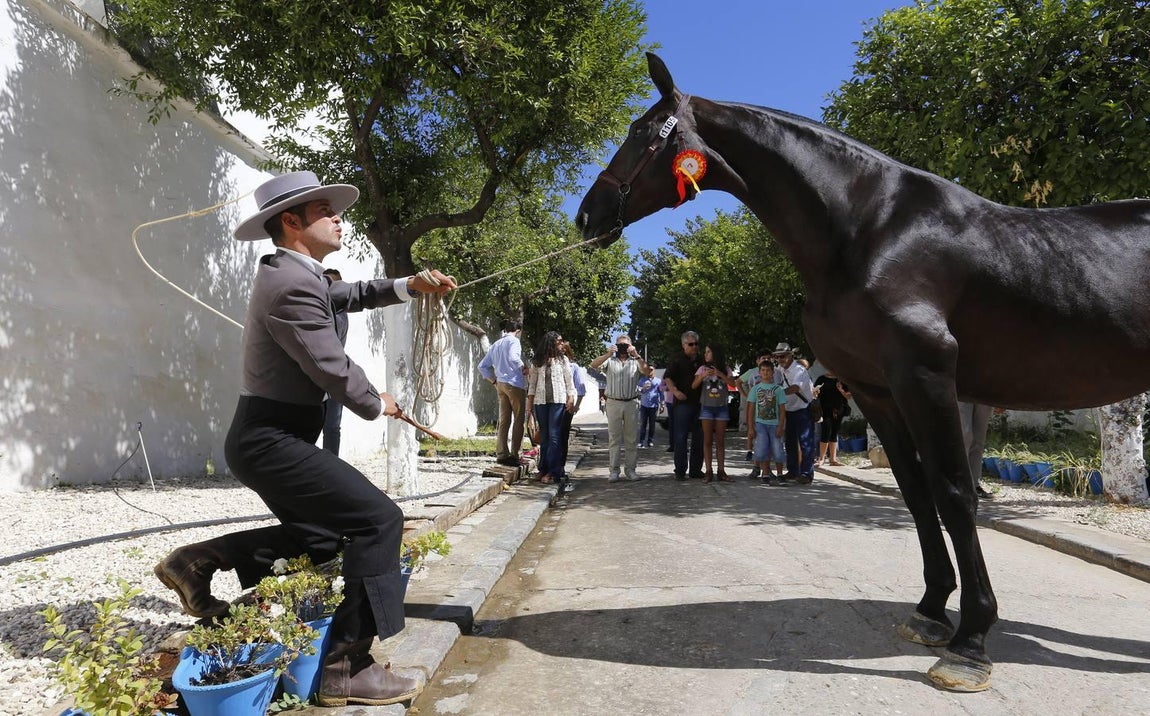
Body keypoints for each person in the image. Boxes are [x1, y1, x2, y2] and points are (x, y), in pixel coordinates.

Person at [152, 171, 456, 707]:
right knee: (378, 521)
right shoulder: (289, 285)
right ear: (291, 222)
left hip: (272, 437)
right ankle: (347, 665)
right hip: (268, 439)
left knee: (320, 538)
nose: (339, 218)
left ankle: (200, 561)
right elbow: (329, 366)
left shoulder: (301, 275)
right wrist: (373, 400)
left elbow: (351, 293)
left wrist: (411, 285)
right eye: (325, 211)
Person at [589, 334, 648, 482]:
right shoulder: (610, 360)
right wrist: (608, 353)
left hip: (631, 402)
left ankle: (630, 470)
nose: (623, 348)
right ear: (616, 345)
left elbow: (648, 372)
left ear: (630, 346)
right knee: (614, 439)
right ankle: (614, 471)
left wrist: (636, 354)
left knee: (631, 439)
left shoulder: (636, 362)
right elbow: (593, 365)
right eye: (620, 345)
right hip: (613, 402)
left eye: (626, 345)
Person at [526, 331, 575, 485]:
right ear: (551, 342)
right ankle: (543, 468)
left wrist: (571, 397)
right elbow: (532, 384)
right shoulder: (537, 361)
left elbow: (569, 381)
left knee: (554, 435)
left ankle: (553, 472)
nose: (562, 343)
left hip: (558, 401)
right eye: (559, 341)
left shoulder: (563, 360)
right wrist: (529, 405)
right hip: (541, 402)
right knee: (545, 436)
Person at [477, 319, 527, 467]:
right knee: (519, 418)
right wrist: (524, 367)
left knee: (504, 420)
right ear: (517, 330)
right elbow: (513, 357)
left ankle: (502, 454)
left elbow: (482, 366)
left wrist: (493, 381)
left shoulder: (496, 344)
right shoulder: (514, 341)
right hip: (514, 383)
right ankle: (516, 454)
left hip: (500, 384)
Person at [663, 331, 704, 480]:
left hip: (700, 403)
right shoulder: (677, 359)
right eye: (691, 344)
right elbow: (667, 377)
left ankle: (695, 470)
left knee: (699, 438)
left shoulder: (702, 360)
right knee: (680, 438)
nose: (694, 347)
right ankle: (680, 471)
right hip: (682, 404)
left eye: (696, 344)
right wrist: (675, 391)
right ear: (683, 345)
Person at [774, 342, 817, 484]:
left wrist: (778, 393)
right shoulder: (780, 369)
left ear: (790, 356)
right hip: (789, 410)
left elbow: (794, 388)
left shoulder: (798, 370)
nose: (780, 359)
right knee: (790, 443)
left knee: (806, 443)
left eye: (783, 356)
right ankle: (793, 471)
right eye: (778, 357)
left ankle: (806, 474)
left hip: (803, 409)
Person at [692, 344, 733, 482]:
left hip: (722, 407)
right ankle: (708, 471)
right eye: (705, 352)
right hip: (706, 408)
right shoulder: (702, 368)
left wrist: (720, 374)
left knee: (720, 441)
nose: (706, 354)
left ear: (715, 353)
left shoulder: (725, 368)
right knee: (707, 440)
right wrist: (703, 375)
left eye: (708, 352)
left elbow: (733, 384)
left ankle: (721, 471)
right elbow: (693, 385)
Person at [746, 360, 788, 485]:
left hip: (775, 424)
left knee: (777, 448)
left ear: (772, 373)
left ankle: (780, 473)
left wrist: (781, 426)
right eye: (763, 370)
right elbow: (751, 409)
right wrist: (750, 427)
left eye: (768, 370)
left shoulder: (778, 390)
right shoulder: (755, 389)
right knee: (762, 448)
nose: (765, 373)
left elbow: (782, 410)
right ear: (759, 372)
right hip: (760, 424)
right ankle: (765, 473)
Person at [321, 268, 348, 456]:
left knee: (332, 427)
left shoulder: (338, 313)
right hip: (323, 376)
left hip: (332, 376)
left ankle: (330, 465)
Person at [738, 352, 771, 477]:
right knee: (759, 439)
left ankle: (766, 469)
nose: (766, 360)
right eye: (763, 358)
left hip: (771, 411)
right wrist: (745, 395)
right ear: (758, 360)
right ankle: (757, 466)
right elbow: (738, 382)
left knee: (770, 441)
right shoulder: (752, 373)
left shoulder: (777, 373)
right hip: (757, 410)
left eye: (768, 358)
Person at [558, 340, 587, 472]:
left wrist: (576, 406)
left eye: (565, 350)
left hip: (567, 405)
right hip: (552, 404)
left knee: (563, 435)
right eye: (560, 349)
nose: (562, 352)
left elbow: (580, 388)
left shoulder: (573, 367)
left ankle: (561, 465)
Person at [814, 369, 852, 467]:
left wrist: (841, 389)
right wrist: (816, 392)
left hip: (838, 410)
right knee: (826, 431)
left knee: (834, 432)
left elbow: (848, 396)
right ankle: (821, 458)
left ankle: (833, 459)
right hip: (824, 410)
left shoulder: (841, 379)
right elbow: (814, 394)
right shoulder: (821, 379)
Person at [959, 401, 995, 499]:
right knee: (965, 436)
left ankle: (974, 484)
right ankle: (961, 481)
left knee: (979, 438)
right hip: (963, 391)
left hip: (985, 393)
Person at [637, 365, 662, 448]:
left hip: (654, 406)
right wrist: (643, 388)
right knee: (643, 424)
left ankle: (650, 441)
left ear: (654, 370)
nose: (649, 371)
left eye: (651, 370)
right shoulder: (642, 380)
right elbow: (638, 391)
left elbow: (661, 393)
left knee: (652, 425)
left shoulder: (658, 381)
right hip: (644, 405)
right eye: (648, 370)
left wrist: (662, 404)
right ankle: (641, 442)